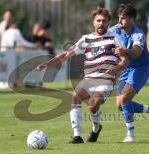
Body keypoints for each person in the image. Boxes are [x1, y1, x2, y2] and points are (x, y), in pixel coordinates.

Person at [37, 8, 128, 144]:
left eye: (104, 21)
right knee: (75, 96)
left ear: (108, 22)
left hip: (105, 80)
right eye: (98, 20)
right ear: (93, 22)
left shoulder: (114, 38)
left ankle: (96, 128)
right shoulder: (86, 39)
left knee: (93, 104)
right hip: (89, 79)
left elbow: (125, 60)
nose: (101, 23)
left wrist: (117, 68)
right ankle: (77, 136)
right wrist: (48, 64)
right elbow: (66, 54)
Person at [109, 4, 149, 142]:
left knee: (124, 100)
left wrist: (124, 51)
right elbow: (102, 36)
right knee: (120, 105)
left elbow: (137, 51)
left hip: (141, 68)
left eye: (123, 18)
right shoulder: (116, 30)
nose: (119, 21)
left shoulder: (138, 33)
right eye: (119, 18)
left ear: (131, 19)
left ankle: (131, 135)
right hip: (126, 69)